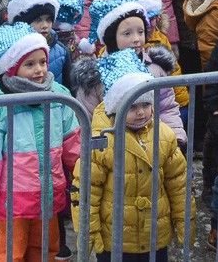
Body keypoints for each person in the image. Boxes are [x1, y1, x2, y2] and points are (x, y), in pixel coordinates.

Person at [0, 22, 80, 257]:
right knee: (12, 252)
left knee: (46, 248)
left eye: (42, 62)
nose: (39, 70)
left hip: (48, 192)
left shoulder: (58, 96)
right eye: (30, 64)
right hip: (12, 201)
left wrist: (87, 173)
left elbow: (74, 144)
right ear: (12, 68)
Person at [77, 48, 189, 259]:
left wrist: (185, 222)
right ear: (115, 107)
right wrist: (90, 232)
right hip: (116, 237)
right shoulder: (101, 140)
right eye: (132, 106)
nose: (140, 112)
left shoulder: (164, 134)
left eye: (146, 104)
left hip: (154, 235)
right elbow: (88, 191)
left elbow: (178, 185)